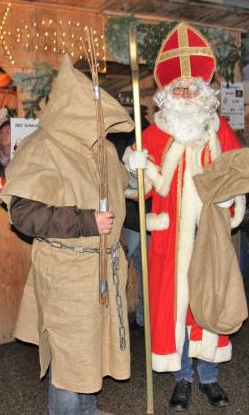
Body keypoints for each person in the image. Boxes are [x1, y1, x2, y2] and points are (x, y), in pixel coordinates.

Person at [124, 23, 249, 412]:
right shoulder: (154, 134)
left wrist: (229, 202)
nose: (184, 92)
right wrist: (135, 166)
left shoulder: (220, 129)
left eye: (190, 86)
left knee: (208, 303)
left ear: (202, 92)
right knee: (174, 307)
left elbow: (236, 174)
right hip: (170, 239)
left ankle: (209, 378)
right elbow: (141, 192)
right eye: (176, 88)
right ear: (166, 95)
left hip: (209, 233)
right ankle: (182, 378)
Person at [0, 55, 131, 415]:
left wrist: (137, 173)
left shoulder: (103, 149)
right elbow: (24, 214)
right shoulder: (43, 147)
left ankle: (86, 411)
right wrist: (86, 222)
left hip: (103, 270)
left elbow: (122, 196)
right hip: (67, 272)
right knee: (71, 354)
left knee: (92, 349)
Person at [109, 106, 151, 331]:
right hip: (141, 217)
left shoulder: (116, 139)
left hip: (128, 217)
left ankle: (123, 323)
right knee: (145, 273)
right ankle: (145, 320)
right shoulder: (148, 134)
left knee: (121, 271)